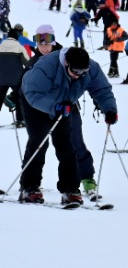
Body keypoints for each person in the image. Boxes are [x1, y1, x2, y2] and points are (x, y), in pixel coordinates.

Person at [17, 45, 117, 205]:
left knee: (66, 145)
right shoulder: (47, 66)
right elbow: (32, 93)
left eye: (82, 72)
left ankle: (70, 189)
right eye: (75, 72)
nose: (79, 76)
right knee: (39, 141)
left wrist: (110, 109)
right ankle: (29, 187)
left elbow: (102, 90)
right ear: (66, 63)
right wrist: (54, 107)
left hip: (63, 105)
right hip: (34, 103)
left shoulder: (91, 69)